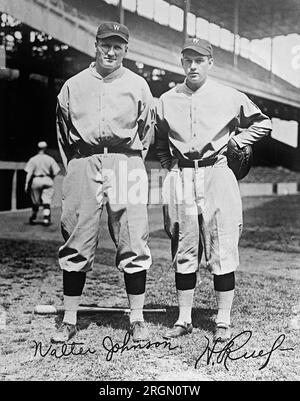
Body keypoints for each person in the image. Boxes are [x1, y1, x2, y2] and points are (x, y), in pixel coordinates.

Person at [155, 37, 272, 342]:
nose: (193, 66)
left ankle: (222, 320)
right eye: (187, 60)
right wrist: (169, 164)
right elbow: (158, 137)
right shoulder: (167, 99)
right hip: (182, 173)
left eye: (199, 60)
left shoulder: (229, 95)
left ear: (210, 63)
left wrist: (238, 141)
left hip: (217, 172)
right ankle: (183, 319)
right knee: (184, 247)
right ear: (182, 62)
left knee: (222, 246)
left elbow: (263, 123)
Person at [53, 21, 155, 343]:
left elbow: (147, 131)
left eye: (118, 46)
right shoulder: (73, 85)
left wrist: (129, 161)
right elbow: (62, 134)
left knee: (133, 238)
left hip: (126, 160)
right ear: (95, 45)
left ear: (126, 49)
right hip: (83, 160)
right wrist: (78, 166)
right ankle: (69, 320)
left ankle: (137, 319)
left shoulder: (138, 85)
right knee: (76, 237)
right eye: (105, 44)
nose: (111, 51)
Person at [24, 141, 60, 226]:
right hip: (47, 179)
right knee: (46, 201)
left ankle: (33, 216)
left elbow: (29, 173)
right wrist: (51, 178)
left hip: (36, 180)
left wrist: (26, 184)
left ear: (37, 148)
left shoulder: (33, 159)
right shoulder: (50, 159)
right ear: (45, 148)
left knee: (35, 202)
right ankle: (46, 219)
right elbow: (56, 171)